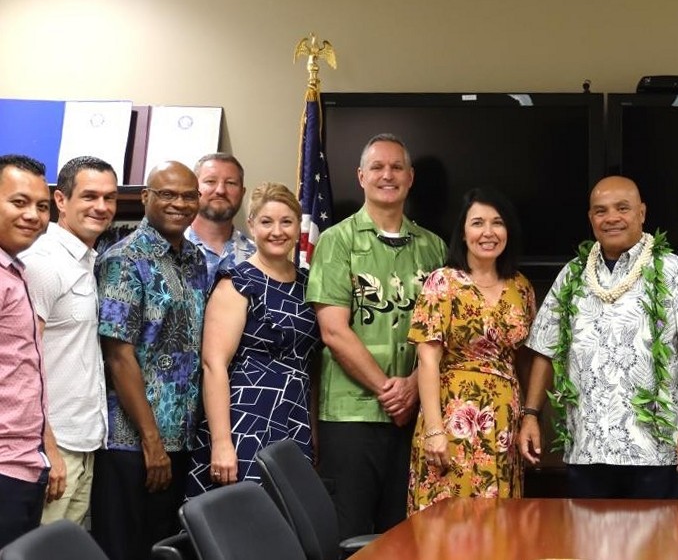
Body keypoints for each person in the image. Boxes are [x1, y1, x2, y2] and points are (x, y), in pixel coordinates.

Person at [517, 176, 678, 499]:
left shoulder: (674, 270)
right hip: (587, 449)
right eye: (601, 211)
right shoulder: (573, 274)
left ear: (642, 212)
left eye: (622, 208)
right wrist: (530, 415)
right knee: (589, 548)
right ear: (590, 219)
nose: (611, 217)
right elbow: (545, 349)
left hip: (655, 453)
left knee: (658, 548)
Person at [306, 134, 446, 538]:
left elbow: (441, 339)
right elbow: (333, 330)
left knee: (406, 533)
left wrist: (413, 389)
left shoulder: (433, 248)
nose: (388, 175)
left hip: (416, 416)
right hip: (351, 416)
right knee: (349, 534)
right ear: (361, 176)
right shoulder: (337, 241)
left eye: (397, 167)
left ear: (411, 177)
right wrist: (390, 390)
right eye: (378, 168)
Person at [93, 161, 207, 560]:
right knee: (127, 549)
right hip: (133, 441)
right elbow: (118, 355)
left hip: (181, 436)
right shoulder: (124, 259)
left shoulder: (193, 258)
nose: (179, 203)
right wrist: (151, 441)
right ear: (146, 197)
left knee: (165, 550)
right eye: (167, 194)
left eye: (189, 195)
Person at [186, 183, 321, 495]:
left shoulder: (309, 284)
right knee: (246, 522)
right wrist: (222, 443)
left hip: (294, 416)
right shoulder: (237, 283)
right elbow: (213, 365)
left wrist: (312, 426)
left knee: (291, 520)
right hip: (246, 418)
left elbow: (313, 364)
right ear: (251, 225)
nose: (277, 231)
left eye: (286, 222)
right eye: (266, 222)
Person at [407, 188, 536, 513]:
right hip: (451, 423)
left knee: (500, 526)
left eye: (497, 223)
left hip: (504, 425)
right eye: (478, 223)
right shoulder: (443, 283)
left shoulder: (521, 287)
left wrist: (527, 420)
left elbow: (524, 360)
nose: (488, 232)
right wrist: (435, 430)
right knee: (447, 525)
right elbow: (427, 359)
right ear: (463, 233)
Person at [19, 156, 118, 526]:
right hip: (53, 444)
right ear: (61, 200)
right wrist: (47, 450)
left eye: (109, 198)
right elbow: (23, 364)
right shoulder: (43, 262)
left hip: (86, 441)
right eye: (89, 196)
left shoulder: (88, 260)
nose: (102, 207)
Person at [0, 154, 52, 549]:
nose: (33, 215)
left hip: (24, 463)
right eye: (19, 202)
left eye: (42, 206)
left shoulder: (15, 271)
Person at [185, 153, 255, 284]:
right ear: (193, 189)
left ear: (242, 193)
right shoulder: (166, 251)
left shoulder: (257, 258)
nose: (221, 190)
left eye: (230, 183)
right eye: (210, 181)